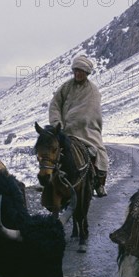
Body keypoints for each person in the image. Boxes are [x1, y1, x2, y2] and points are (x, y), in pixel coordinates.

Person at [49, 55, 109, 197]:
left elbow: (92, 112)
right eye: (76, 70)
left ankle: (98, 183)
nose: (78, 74)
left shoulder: (93, 91)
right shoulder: (65, 87)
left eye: (81, 71)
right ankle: (47, 179)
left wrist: (82, 121)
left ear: (87, 73)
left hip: (86, 130)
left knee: (99, 152)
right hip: (64, 129)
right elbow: (55, 105)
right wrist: (57, 123)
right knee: (47, 148)